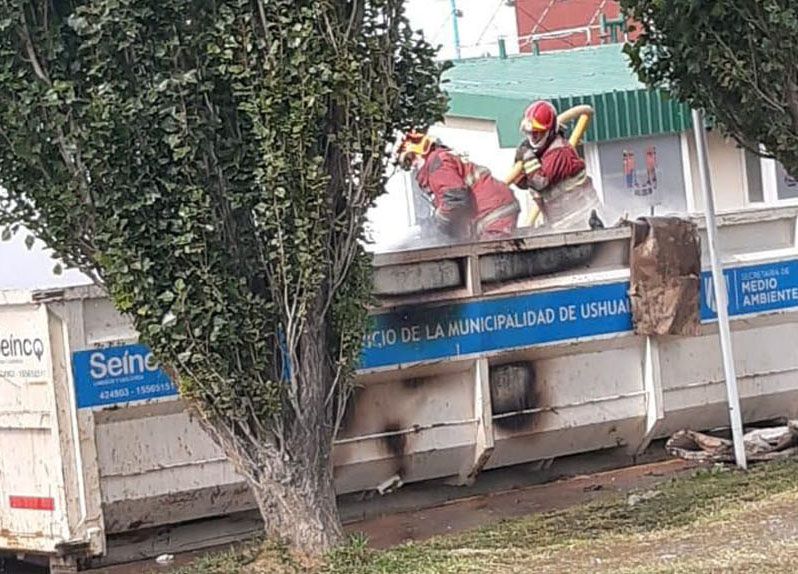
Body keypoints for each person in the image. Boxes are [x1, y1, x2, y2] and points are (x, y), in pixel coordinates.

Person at [398, 131, 520, 241]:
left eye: (412, 157)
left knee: (490, 256)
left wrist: (438, 224)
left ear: (423, 152)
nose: (412, 165)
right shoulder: (437, 164)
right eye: (408, 162)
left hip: (493, 212)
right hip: (492, 209)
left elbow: (455, 198)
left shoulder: (436, 165)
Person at [514, 100, 603, 230]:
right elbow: (522, 182)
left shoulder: (559, 152)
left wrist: (527, 156)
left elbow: (540, 183)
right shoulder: (539, 154)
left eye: (537, 134)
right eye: (530, 133)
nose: (532, 138)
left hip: (583, 221)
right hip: (562, 223)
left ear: (549, 132)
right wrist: (521, 160)